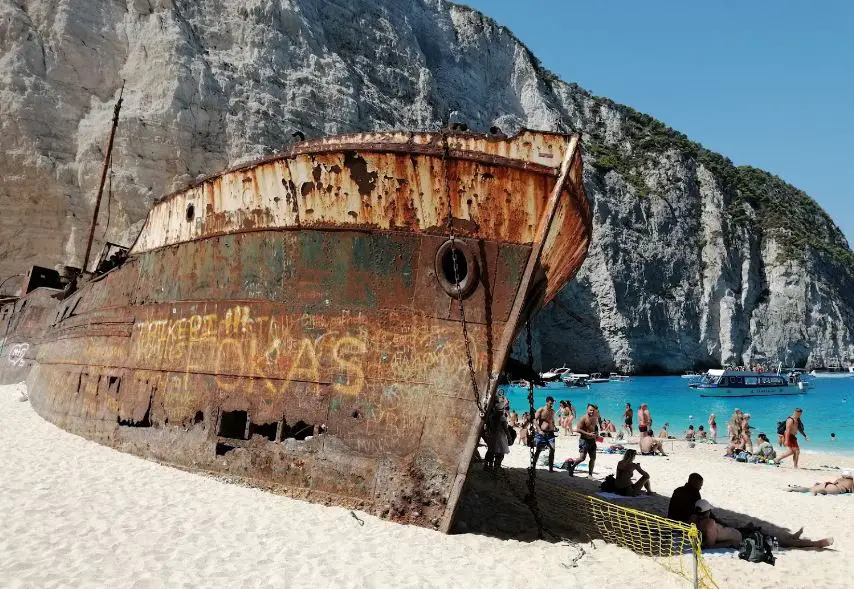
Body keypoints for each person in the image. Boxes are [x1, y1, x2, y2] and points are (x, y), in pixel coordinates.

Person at [693, 499, 833, 549]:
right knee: (782, 543)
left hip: (741, 533)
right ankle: (816, 543)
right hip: (744, 540)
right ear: (707, 511)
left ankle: (795, 538)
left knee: (759, 529)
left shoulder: (696, 520)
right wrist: (730, 542)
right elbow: (710, 545)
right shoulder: (709, 523)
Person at [566, 404, 600, 477]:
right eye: (590, 410)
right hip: (584, 440)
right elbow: (577, 429)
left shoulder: (595, 417)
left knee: (593, 458)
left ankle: (590, 474)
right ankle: (572, 467)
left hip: (592, 441)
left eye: (593, 410)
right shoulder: (583, 418)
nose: (592, 411)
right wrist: (588, 434)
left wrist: (597, 433)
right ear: (587, 410)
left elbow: (595, 426)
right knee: (582, 458)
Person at [483, 394, 511, 470]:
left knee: (491, 450)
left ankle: (487, 465)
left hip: (491, 434)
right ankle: (496, 467)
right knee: (500, 453)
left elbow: (487, 425)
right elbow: (505, 428)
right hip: (500, 436)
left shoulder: (491, 415)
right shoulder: (501, 416)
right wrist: (509, 437)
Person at [532, 396, 557, 471]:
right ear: (547, 402)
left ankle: (551, 468)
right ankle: (533, 466)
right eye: (550, 403)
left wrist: (554, 427)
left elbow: (551, 421)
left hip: (551, 433)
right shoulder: (541, 410)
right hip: (542, 433)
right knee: (538, 450)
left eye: (552, 403)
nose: (551, 404)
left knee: (552, 450)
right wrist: (539, 430)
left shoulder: (553, 411)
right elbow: (534, 420)